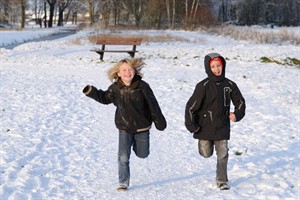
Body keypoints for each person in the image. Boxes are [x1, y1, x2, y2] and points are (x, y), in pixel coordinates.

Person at [82, 58, 167, 192]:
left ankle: (136, 145)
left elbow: (153, 105)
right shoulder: (115, 88)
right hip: (124, 127)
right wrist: (91, 91)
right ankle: (123, 183)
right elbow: (105, 98)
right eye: (124, 70)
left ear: (135, 71)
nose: (127, 73)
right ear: (118, 73)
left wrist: (159, 121)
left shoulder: (142, 86)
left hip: (142, 127)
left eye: (130, 70)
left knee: (142, 154)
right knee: (123, 157)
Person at [184, 53, 246, 190]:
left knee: (223, 152)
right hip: (204, 127)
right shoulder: (203, 86)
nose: (216, 69)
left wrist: (236, 114)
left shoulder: (229, 85)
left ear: (223, 66)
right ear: (208, 68)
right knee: (206, 153)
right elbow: (191, 106)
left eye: (219, 66)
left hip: (222, 125)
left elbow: (240, 102)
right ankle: (204, 145)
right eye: (213, 66)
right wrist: (192, 125)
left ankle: (222, 180)